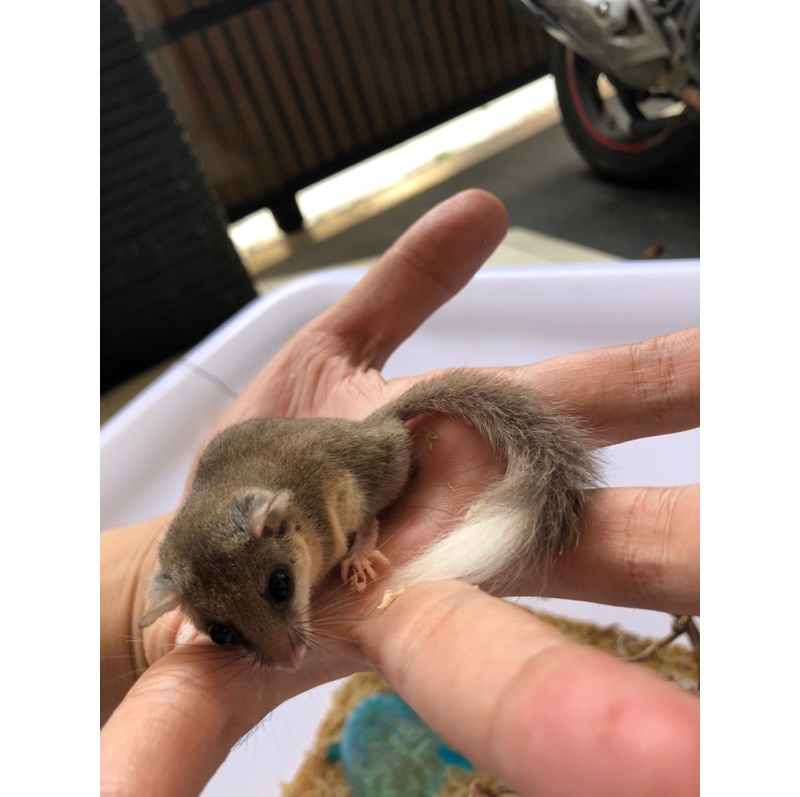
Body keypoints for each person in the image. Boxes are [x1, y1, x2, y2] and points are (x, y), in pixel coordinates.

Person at [100, 189, 699, 797]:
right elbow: (202, 579)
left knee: (348, 495)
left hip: (360, 457)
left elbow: (335, 507)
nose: (285, 653)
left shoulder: (292, 518)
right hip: (249, 473)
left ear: (277, 528)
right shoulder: (203, 576)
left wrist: (360, 545)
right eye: (227, 634)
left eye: (279, 590)